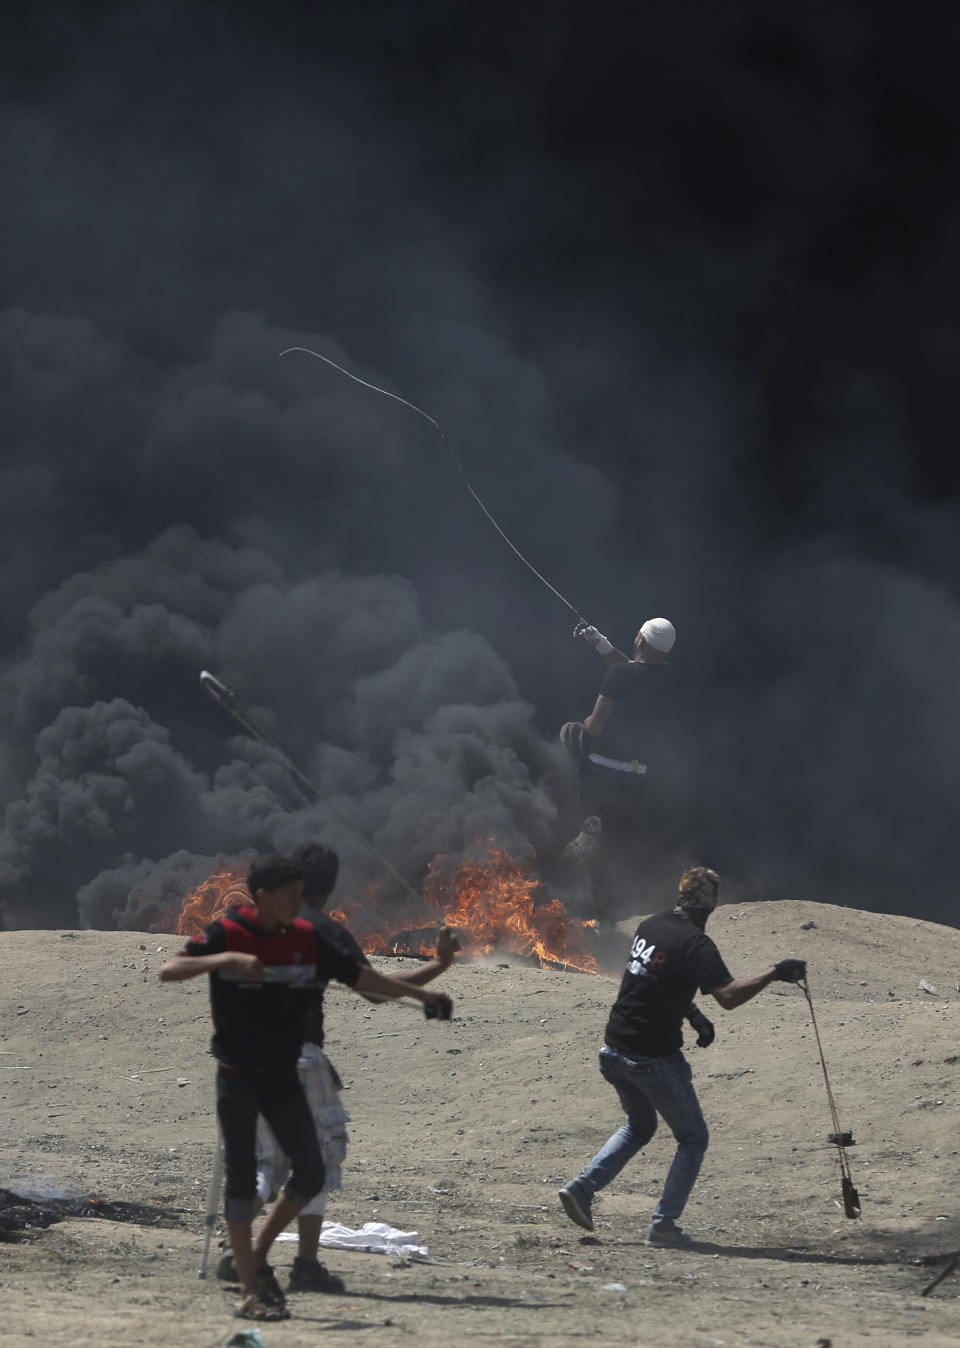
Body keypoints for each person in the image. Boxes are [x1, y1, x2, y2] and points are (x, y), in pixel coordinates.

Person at [158, 853, 452, 1322]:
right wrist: (228, 960)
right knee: (247, 1176)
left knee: (307, 1169)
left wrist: (427, 991)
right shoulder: (228, 931)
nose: (300, 904)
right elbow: (169, 970)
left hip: (284, 1076)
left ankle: (254, 1256)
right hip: (239, 1075)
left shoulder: (308, 937)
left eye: (301, 894)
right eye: (290, 896)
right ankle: (254, 1287)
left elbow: (369, 983)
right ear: (264, 898)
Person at [228, 840, 460, 1295]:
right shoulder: (321, 931)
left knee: (269, 1164)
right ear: (330, 887)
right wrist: (440, 965)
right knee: (317, 1161)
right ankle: (293, 1264)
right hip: (297, 1059)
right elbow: (376, 989)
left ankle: (236, 1252)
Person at [557, 866, 805, 1248]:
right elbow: (729, 996)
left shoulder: (651, 926)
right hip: (651, 1059)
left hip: (613, 1050)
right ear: (711, 904)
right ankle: (663, 1226)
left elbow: (654, 982)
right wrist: (776, 972)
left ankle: (582, 1189)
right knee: (692, 1138)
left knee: (639, 1127)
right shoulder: (696, 943)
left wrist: (693, 1015)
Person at [560, 616, 682, 923]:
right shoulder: (666, 674)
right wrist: (600, 643)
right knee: (621, 845)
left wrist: (579, 726)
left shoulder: (617, 674)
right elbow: (633, 667)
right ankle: (625, 912)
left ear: (640, 639)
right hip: (638, 777)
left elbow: (596, 727)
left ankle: (592, 907)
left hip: (602, 774)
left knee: (595, 847)